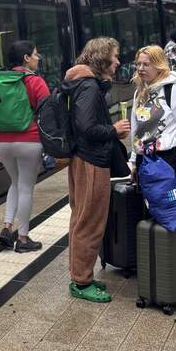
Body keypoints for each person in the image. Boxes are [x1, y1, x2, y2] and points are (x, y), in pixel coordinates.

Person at [60, 37, 130, 303]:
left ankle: (81, 275)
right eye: (115, 56)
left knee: (81, 218)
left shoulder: (80, 82)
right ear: (102, 58)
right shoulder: (89, 86)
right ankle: (81, 281)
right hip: (92, 161)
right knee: (89, 222)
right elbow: (87, 127)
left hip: (83, 158)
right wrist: (114, 129)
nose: (118, 62)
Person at [0, 40, 50, 253]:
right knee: (26, 187)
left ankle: (7, 227)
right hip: (29, 141)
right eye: (35, 54)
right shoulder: (35, 82)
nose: (37, 58)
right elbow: (48, 114)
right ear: (26, 58)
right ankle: (23, 239)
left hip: (3, 142)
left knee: (15, 182)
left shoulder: (0, 83)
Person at [129, 46, 176, 197]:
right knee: (149, 208)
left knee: (174, 209)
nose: (140, 68)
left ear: (159, 66)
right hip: (144, 161)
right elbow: (136, 129)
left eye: (146, 64)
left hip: (170, 160)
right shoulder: (140, 92)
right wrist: (134, 160)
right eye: (138, 64)